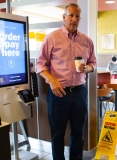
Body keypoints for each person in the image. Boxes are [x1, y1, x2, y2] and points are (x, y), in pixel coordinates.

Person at [36, 3, 96, 160]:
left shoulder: (87, 41)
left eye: (77, 16)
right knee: (57, 134)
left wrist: (88, 68)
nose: (74, 19)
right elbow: (40, 64)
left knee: (78, 133)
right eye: (71, 15)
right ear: (64, 17)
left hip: (80, 93)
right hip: (58, 93)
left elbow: (93, 63)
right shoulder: (52, 38)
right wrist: (52, 80)